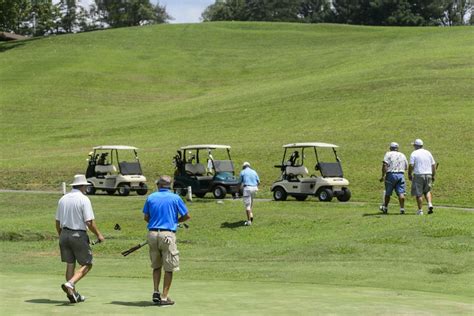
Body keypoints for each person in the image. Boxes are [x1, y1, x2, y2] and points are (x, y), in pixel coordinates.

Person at [55, 174, 105, 303]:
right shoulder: (84, 199)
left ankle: (73, 294)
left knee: (70, 264)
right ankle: (70, 284)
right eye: (86, 186)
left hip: (64, 234)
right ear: (82, 186)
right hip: (78, 234)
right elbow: (89, 222)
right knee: (87, 263)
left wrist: (62, 235)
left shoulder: (63, 199)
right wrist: (99, 235)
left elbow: (57, 222)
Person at [143, 175, 190, 306]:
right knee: (169, 267)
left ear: (159, 185)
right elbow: (186, 216)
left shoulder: (151, 197)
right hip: (168, 235)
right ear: (170, 185)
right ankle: (164, 297)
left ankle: (156, 291)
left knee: (156, 266)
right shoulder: (175, 198)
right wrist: (175, 221)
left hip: (152, 234)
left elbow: (146, 217)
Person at [408, 139, 436, 215]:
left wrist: (409, 174)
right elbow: (433, 165)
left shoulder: (414, 153)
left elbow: (411, 165)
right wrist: (433, 175)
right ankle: (430, 204)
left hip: (418, 174)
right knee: (427, 191)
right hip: (428, 174)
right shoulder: (428, 153)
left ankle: (420, 210)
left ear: (416, 146)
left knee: (418, 193)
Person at [379, 142, 408, 214]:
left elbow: (385, 165)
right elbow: (406, 167)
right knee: (401, 193)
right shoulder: (402, 155)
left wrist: (383, 175)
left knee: (388, 193)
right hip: (401, 174)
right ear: (397, 148)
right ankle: (402, 209)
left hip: (391, 174)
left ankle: (385, 207)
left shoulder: (388, 154)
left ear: (390, 148)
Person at [239, 162, 260, 226]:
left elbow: (240, 182)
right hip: (255, 188)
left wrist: (238, 190)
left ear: (244, 167)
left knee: (247, 206)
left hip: (247, 188)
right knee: (251, 204)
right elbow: (258, 182)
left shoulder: (243, 172)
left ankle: (249, 222)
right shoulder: (254, 171)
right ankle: (251, 215)